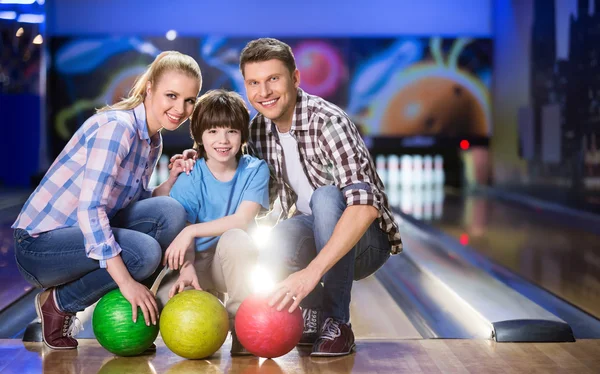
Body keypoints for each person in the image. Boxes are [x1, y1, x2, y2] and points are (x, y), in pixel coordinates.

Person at [173, 38, 403, 357]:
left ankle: (338, 322)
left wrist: (310, 274)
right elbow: (225, 159)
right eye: (254, 83)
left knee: (325, 197)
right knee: (276, 239)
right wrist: (193, 157)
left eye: (273, 79)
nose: (264, 92)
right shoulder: (258, 131)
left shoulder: (328, 122)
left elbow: (364, 207)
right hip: (310, 229)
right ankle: (310, 313)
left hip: (365, 242)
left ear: (295, 78)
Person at [12, 51, 202, 350]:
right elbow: (91, 208)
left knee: (170, 211)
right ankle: (59, 303)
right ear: (149, 87)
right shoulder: (119, 128)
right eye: (171, 95)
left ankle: (132, 317)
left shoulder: (153, 141)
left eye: (189, 100)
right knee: (144, 253)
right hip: (39, 246)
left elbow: (134, 203)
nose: (181, 108)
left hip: (77, 237)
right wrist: (128, 283)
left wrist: (172, 179)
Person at [157, 89, 269, 356]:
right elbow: (181, 228)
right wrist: (186, 268)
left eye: (231, 131)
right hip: (193, 263)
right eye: (213, 131)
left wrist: (193, 231)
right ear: (199, 136)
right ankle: (210, 302)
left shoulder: (255, 170)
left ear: (242, 133)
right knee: (167, 309)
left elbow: (241, 220)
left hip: (232, 263)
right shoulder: (191, 174)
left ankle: (241, 325)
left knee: (237, 238)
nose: (223, 140)